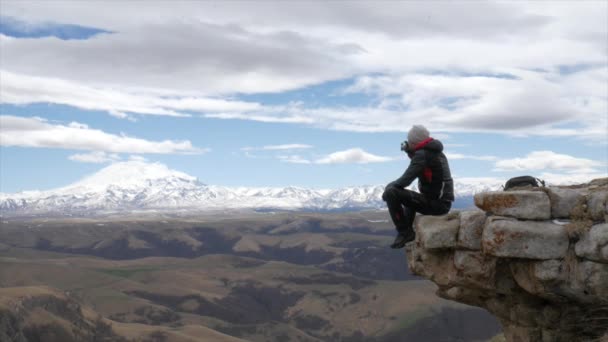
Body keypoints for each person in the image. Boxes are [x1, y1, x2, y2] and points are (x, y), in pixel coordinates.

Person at [382, 125, 454, 249]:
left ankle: (405, 232)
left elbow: (405, 180)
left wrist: (387, 189)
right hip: (442, 202)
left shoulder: (423, 155)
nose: (407, 143)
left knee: (392, 192)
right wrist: (411, 151)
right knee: (410, 198)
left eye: (409, 141)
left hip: (437, 205)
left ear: (414, 142)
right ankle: (407, 231)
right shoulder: (434, 152)